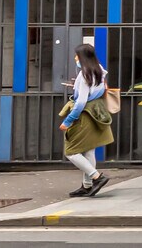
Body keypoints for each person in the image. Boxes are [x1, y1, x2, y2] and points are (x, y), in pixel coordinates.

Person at [58, 44, 114, 197]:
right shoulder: (99, 70)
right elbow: (101, 89)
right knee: (89, 150)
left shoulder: (84, 75)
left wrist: (68, 121)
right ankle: (87, 185)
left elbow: (81, 102)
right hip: (95, 112)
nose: (75, 58)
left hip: (84, 114)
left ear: (82, 57)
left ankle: (97, 177)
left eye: (77, 56)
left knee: (71, 151)